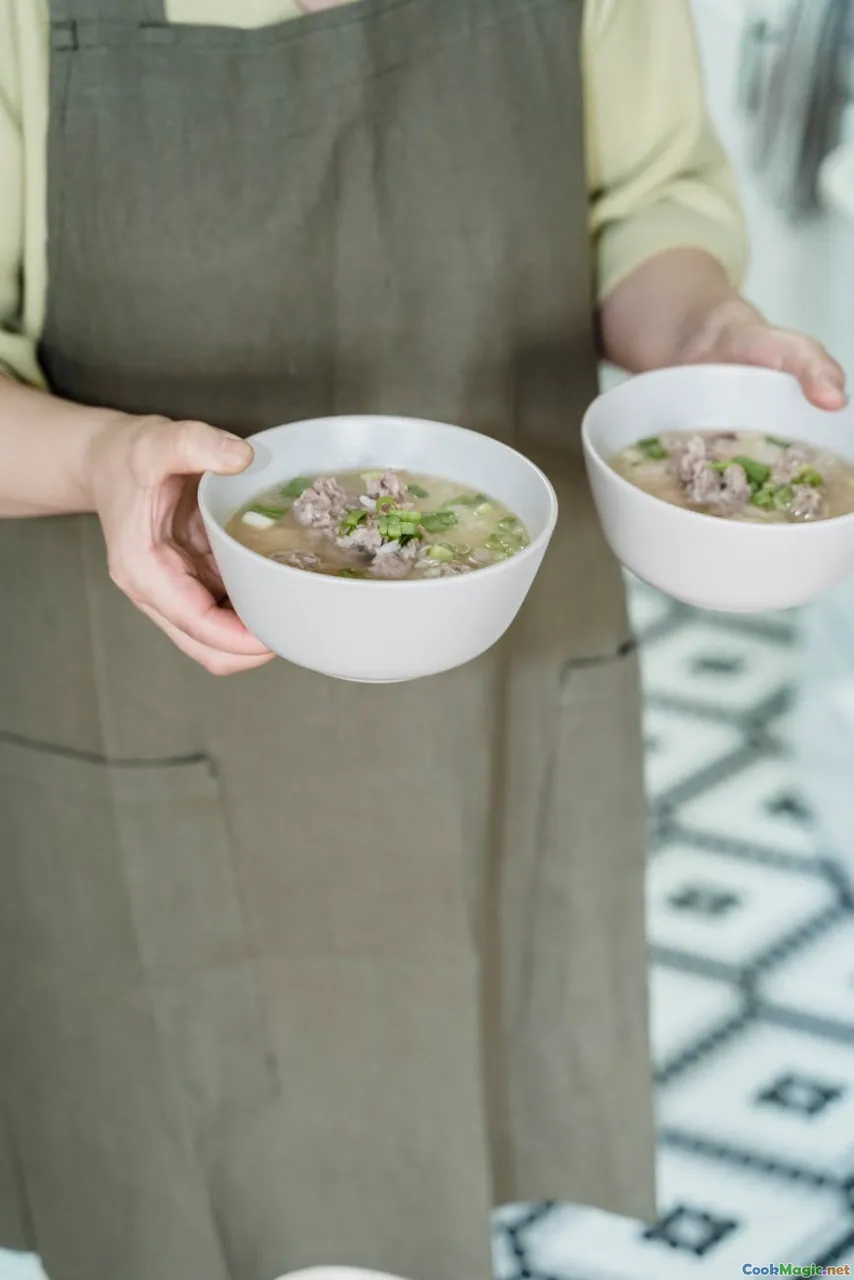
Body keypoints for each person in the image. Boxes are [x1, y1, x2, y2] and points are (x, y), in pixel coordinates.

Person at [0, 2, 846, 1279]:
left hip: (495, 652)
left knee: (437, 1067)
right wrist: (101, 459)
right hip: (134, 651)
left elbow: (640, 205)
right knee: (165, 1136)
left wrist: (704, 339)